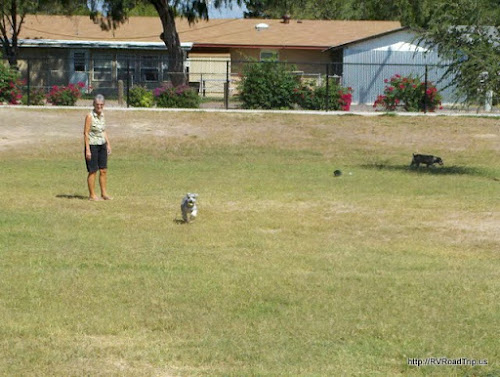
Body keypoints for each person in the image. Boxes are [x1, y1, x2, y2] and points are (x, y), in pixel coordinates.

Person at [84, 94, 112, 201]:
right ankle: (92, 195)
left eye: (101, 104)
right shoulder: (89, 116)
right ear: (94, 104)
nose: (99, 107)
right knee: (93, 170)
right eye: (97, 104)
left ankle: (104, 193)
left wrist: (108, 144)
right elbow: (86, 133)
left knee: (103, 170)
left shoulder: (102, 115)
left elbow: (103, 131)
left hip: (102, 144)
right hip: (92, 145)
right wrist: (87, 150)